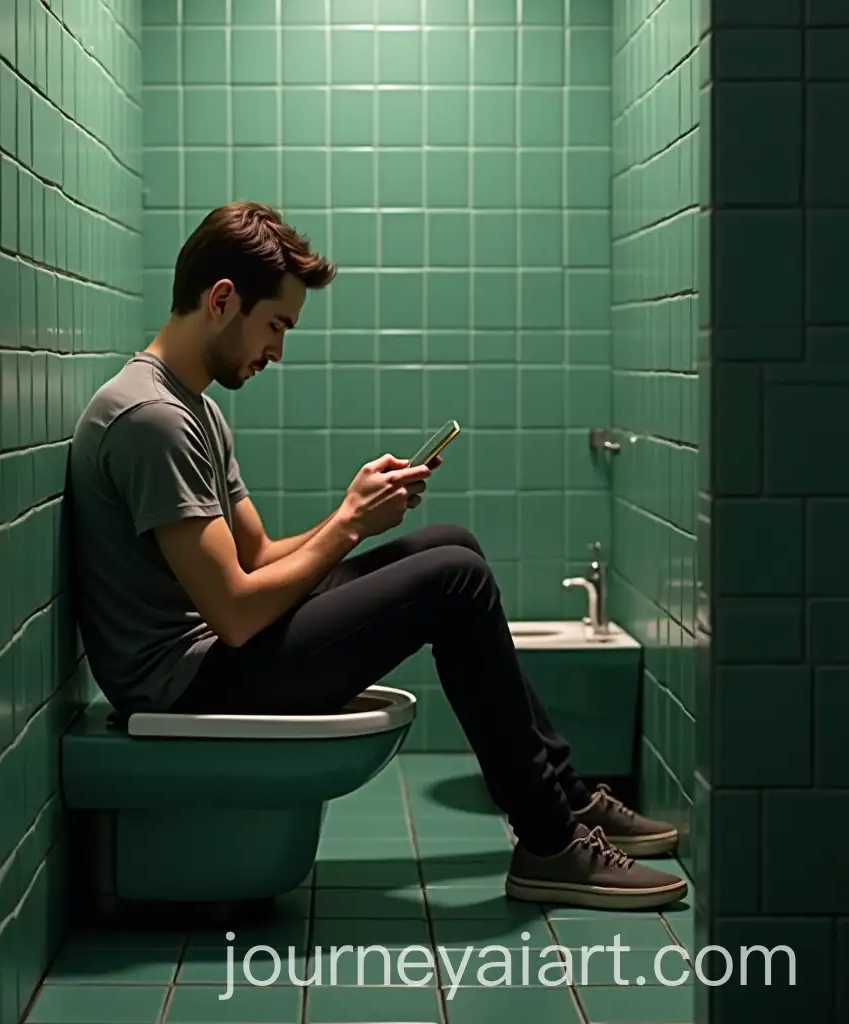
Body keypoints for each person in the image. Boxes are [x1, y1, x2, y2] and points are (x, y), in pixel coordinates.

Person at [68, 201, 688, 912]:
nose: (277, 351)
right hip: (187, 682)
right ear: (221, 300)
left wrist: (351, 506)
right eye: (276, 326)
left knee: (451, 545)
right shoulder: (152, 420)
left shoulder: (195, 409)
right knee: (454, 581)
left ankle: (567, 801)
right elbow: (236, 612)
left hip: (212, 657)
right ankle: (551, 841)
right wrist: (350, 528)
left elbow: (260, 553)